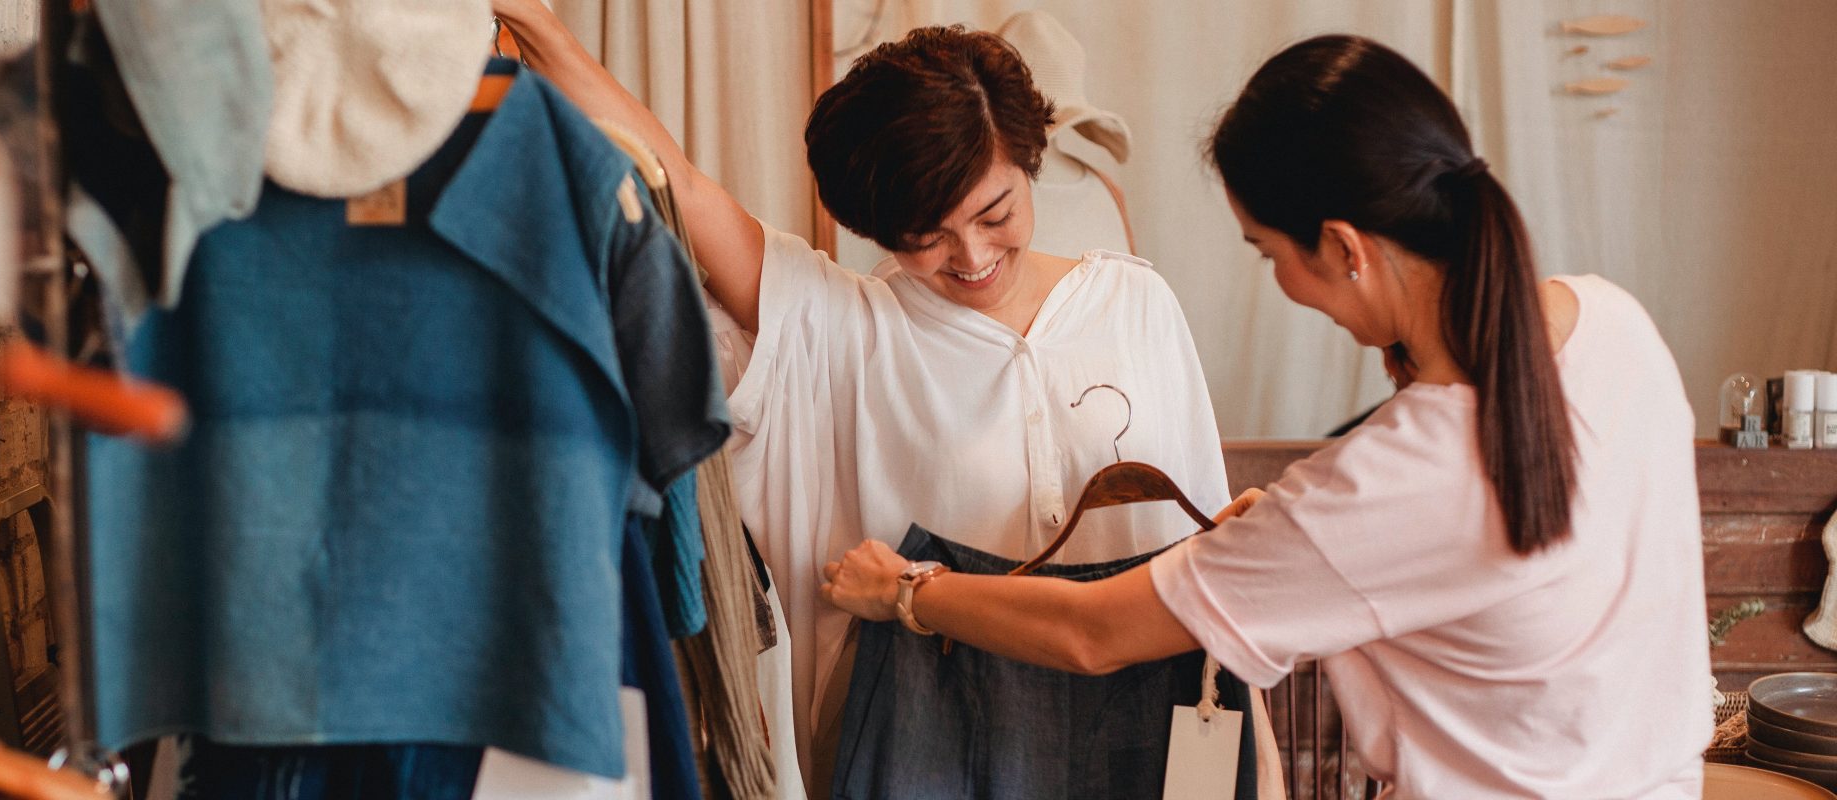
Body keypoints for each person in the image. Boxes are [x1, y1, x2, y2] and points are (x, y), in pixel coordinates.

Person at [823, 34, 1712, 799]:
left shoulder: (1383, 481)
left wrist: (907, 591)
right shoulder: (1614, 324)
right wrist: (1288, 543)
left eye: (1267, 254)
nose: (1282, 285)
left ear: (1346, 250)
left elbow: (1090, 635)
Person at [492, 1, 1234, 790]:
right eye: (926, 238)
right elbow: (672, 175)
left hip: (1140, 724)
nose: (972, 255)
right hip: (937, 744)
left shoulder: (1135, 304)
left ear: (1030, 161)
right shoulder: (847, 329)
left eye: (995, 213)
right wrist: (535, 25)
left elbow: (1211, 556)